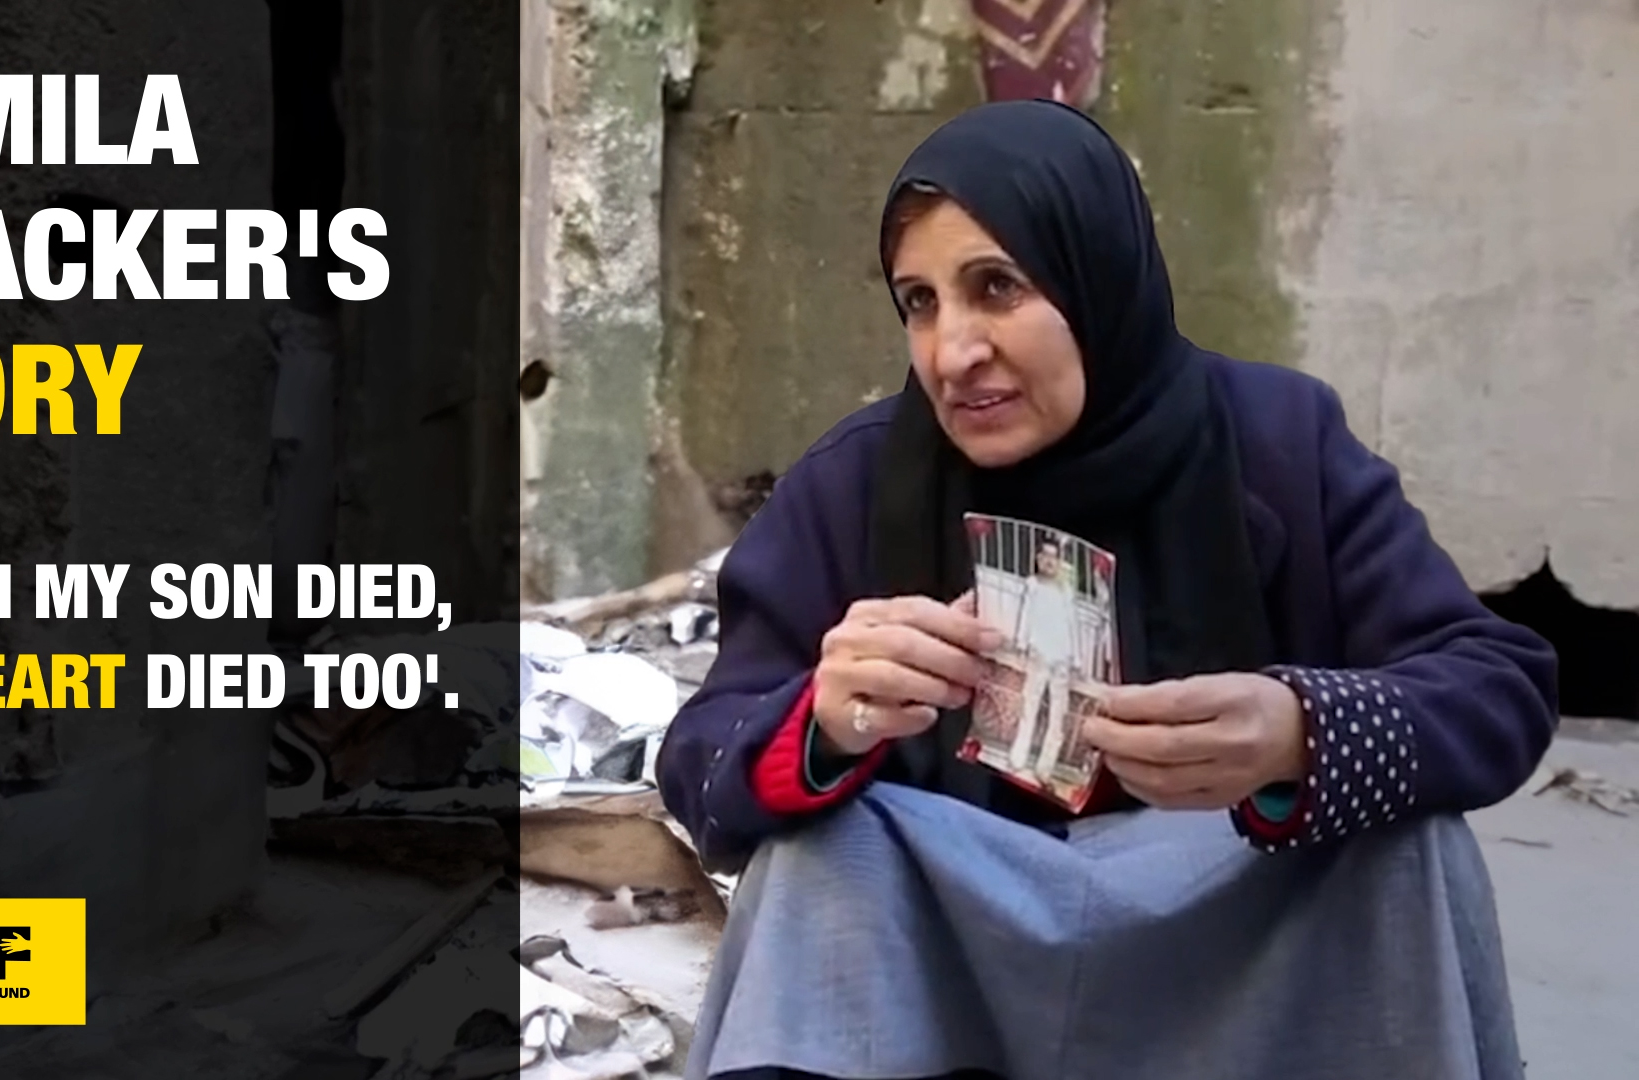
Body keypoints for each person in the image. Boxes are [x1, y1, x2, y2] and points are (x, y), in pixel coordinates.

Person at [655, 99, 1557, 1080]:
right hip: (953, 949)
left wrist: (1300, 729)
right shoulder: (858, 484)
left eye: (996, 287)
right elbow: (701, 762)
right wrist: (824, 722)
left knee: (1410, 841)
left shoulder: (1278, 447)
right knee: (813, 856)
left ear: (1099, 277)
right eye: (921, 301)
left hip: (1240, 933)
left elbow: (1498, 684)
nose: (953, 352)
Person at [1008, 536, 1078, 775]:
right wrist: (1021, 640)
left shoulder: (1066, 591)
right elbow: (1026, 614)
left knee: (1058, 713)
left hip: (1062, 657)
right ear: (1038, 559)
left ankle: (1046, 766)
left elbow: (1071, 623)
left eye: (1053, 557)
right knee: (1030, 705)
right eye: (1045, 556)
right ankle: (1019, 756)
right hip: (1039, 653)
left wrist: (1075, 657)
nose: (1049, 561)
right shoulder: (1032, 585)